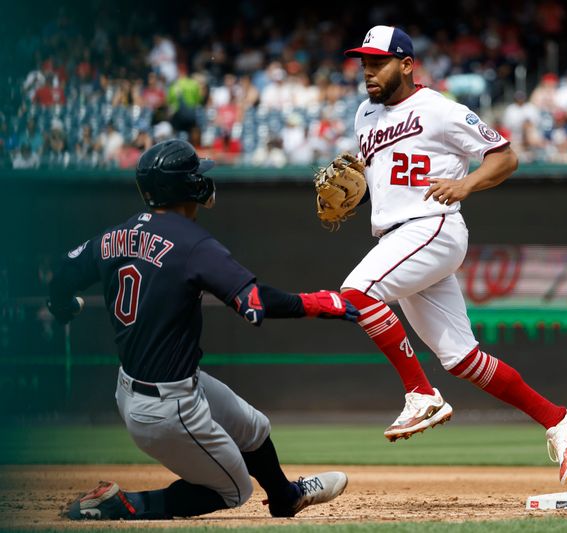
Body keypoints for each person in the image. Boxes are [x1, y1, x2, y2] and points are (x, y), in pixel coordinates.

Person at [48, 140, 354, 520]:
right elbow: (253, 303)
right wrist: (320, 304)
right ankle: (123, 504)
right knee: (234, 489)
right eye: (198, 174)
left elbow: (63, 272)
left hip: (141, 387)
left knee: (253, 427)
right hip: (167, 406)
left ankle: (285, 496)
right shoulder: (193, 244)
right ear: (188, 185)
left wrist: (61, 306)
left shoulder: (114, 236)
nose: (204, 180)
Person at [339, 25, 567, 484]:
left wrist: (466, 184)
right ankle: (559, 419)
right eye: (365, 62)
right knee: (461, 359)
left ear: (407, 64)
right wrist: (351, 198)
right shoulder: (364, 115)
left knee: (356, 292)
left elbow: (505, 156)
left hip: (431, 224)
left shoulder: (438, 109)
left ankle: (420, 394)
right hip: (398, 236)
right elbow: (384, 181)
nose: (369, 70)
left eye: (379, 62)